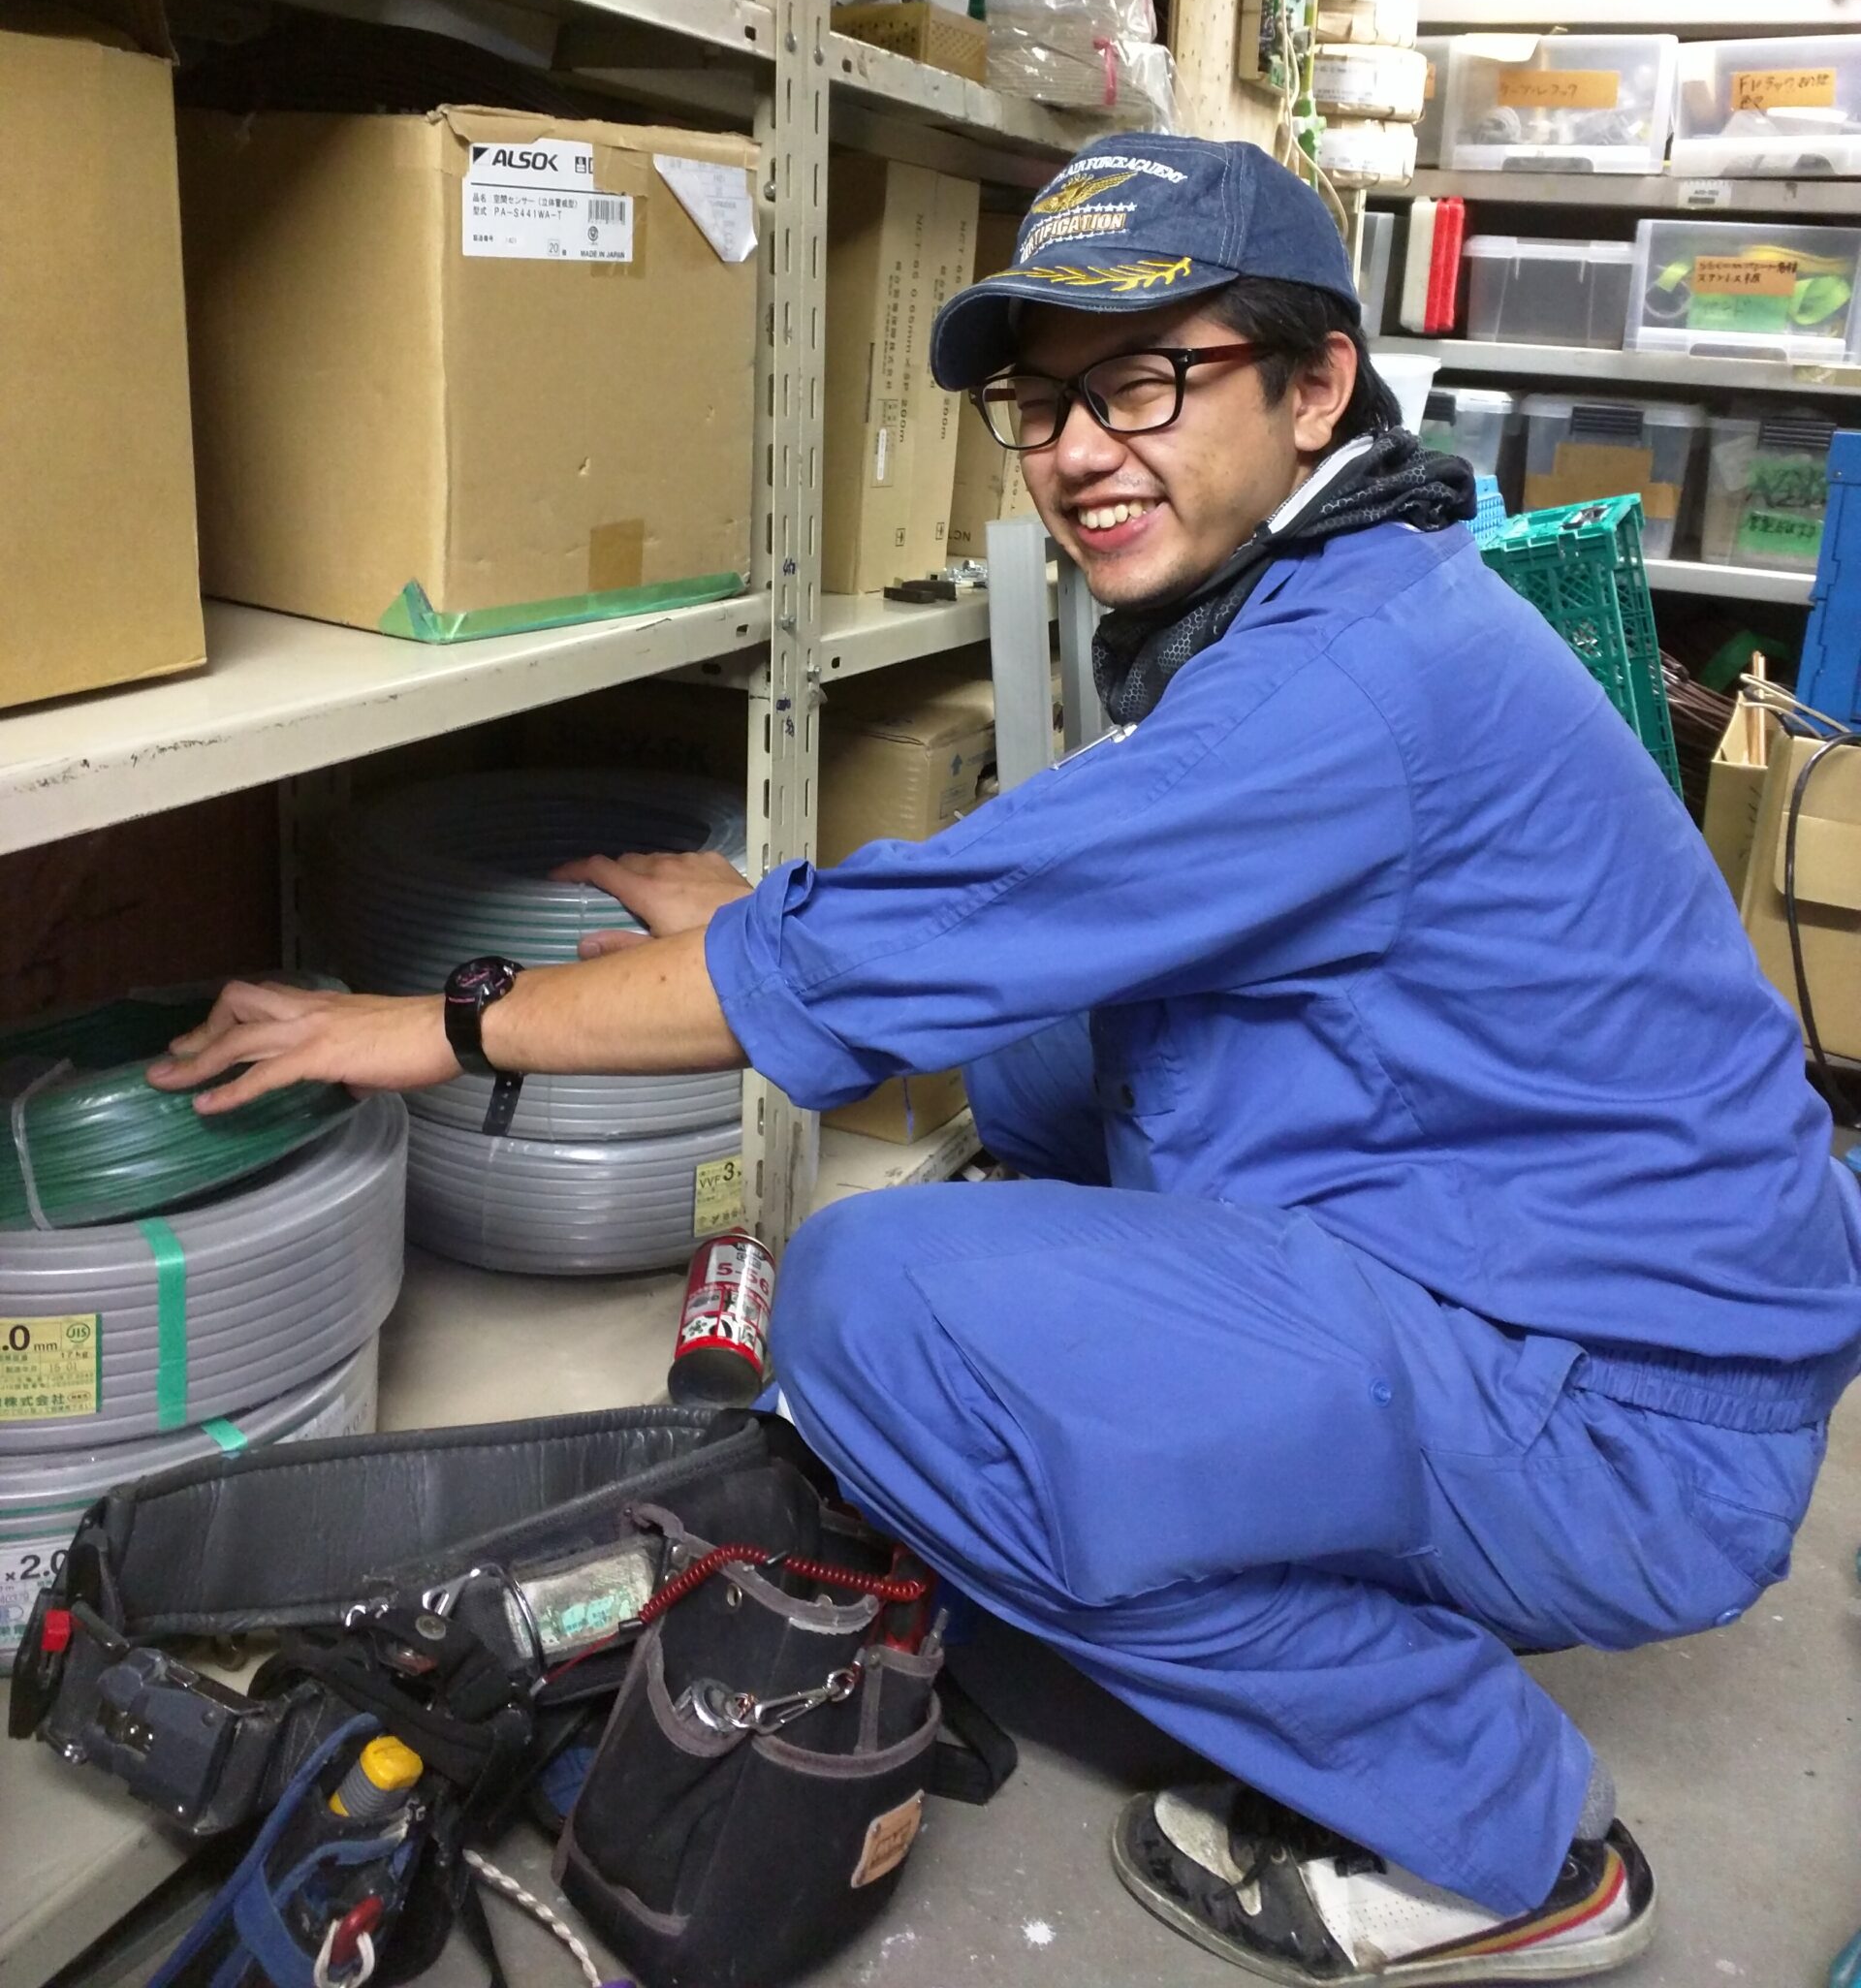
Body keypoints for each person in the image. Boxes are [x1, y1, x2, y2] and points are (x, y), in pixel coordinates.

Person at [152, 136, 1861, 1985]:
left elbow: (923, 949)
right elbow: (1030, 926)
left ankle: (1509, 1842)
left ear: (1317, 387)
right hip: (1597, 1304)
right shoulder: (1353, 598)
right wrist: (781, 919)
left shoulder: (1344, 683)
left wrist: (430, 1024)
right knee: (1051, 1071)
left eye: (1144, 382)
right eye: (1040, 405)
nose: (1076, 452)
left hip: (1627, 1424)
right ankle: (1304, 1524)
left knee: (876, 1307)